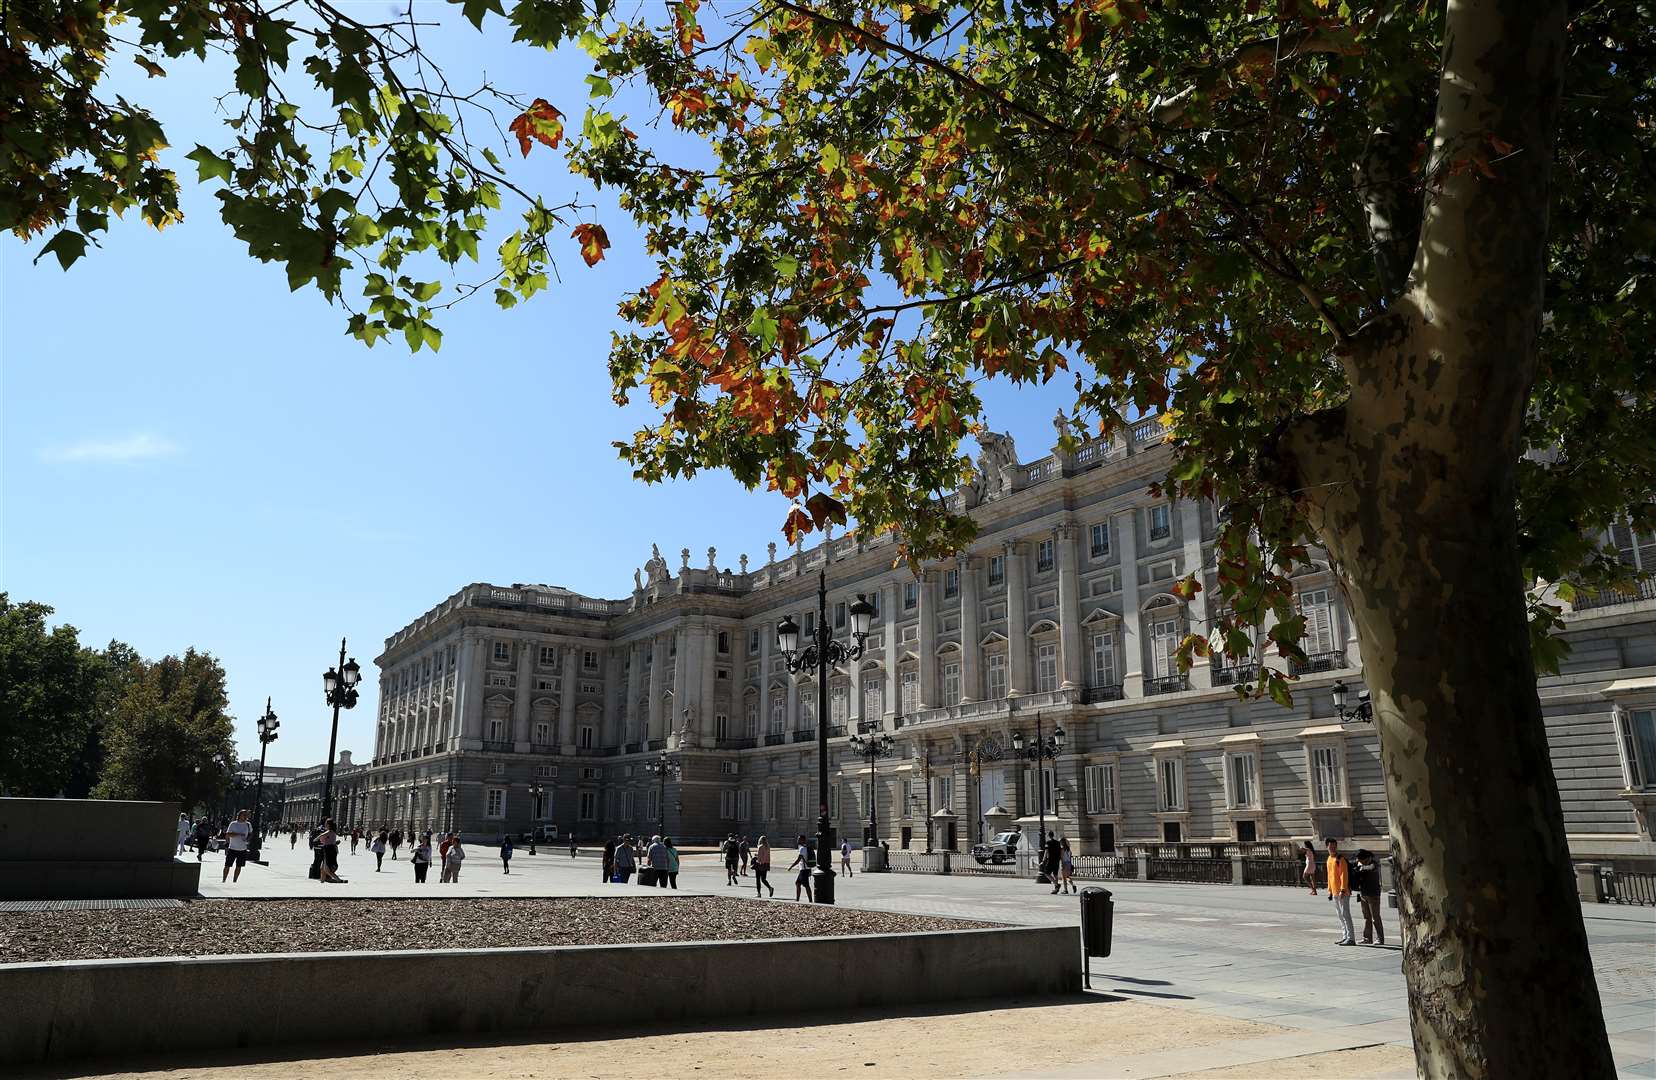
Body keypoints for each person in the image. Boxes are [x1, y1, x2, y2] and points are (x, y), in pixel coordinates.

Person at [1326, 838, 1356, 946]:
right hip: (1334, 892)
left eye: (1334, 846)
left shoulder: (1340, 859)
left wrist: (1343, 889)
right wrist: (1329, 889)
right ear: (1327, 847)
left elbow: (1344, 875)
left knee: (1345, 914)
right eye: (1331, 846)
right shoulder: (1329, 859)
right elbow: (1329, 876)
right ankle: (1345, 936)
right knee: (1340, 915)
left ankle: (1351, 938)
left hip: (1343, 892)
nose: (1333, 848)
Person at [1353, 849, 1386, 945]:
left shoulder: (1373, 864)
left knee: (1375, 917)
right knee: (1366, 917)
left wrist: (1360, 867)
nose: (1359, 862)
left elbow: (1368, 868)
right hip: (1363, 893)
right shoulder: (1361, 864)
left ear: (1366, 858)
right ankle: (1367, 938)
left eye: (1361, 860)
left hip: (1373, 895)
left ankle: (1380, 938)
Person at [220, 809, 253, 883]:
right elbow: (228, 834)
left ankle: (235, 881)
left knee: (239, 866)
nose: (245, 816)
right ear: (239, 815)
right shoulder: (233, 824)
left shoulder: (248, 824)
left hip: (242, 849)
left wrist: (248, 839)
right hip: (232, 848)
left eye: (246, 815)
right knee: (227, 865)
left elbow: (251, 834)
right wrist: (238, 834)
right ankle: (224, 879)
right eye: (244, 815)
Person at [316, 818, 346, 883]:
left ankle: (339, 880)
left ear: (329, 824)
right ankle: (322, 881)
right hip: (330, 849)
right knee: (322, 868)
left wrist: (316, 839)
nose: (325, 824)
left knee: (326, 869)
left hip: (328, 850)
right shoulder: (332, 832)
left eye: (326, 823)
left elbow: (321, 835)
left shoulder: (330, 831)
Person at [789, 834, 814, 902]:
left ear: (803, 840)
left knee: (806, 885)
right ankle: (798, 899)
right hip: (806, 869)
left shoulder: (802, 849)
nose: (798, 840)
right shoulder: (806, 847)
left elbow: (798, 860)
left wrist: (791, 866)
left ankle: (810, 900)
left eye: (799, 839)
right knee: (798, 883)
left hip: (804, 870)